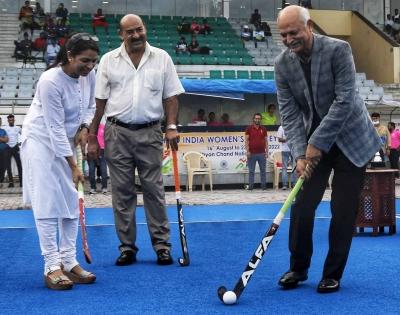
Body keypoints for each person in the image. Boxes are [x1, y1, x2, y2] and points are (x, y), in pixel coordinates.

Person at [275, 5, 381, 293]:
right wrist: (300, 154)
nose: (288, 39)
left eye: (293, 32)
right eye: (283, 34)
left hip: (351, 141)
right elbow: (290, 113)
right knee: (302, 206)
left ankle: (332, 273)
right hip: (312, 146)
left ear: (309, 26)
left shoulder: (338, 49)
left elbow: (345, 100)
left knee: (343, 210)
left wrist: (315, 144)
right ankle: (298, 268)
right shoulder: (282, 65)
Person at [87, 14, 184, 266]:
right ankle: (127, 247)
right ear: (121, 35)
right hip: (116, 132)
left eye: (139, 30)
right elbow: (99, 103)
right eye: (129, 32)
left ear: (145, 29)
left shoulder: (162, 58)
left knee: (154, 190)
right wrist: (91, 137)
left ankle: (162, 246)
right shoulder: (108, 60)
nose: (136, 35)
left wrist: (171, 126)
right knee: (122, 193)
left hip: (150, 132)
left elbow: (171, 97)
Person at [21, 33, 99, 290]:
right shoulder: (49, 81)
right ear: (70, 56)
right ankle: (52, 265)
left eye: (93, 61)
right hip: (41, 141)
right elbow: (54, 128)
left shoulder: (89, 76)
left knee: (70, 200)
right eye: (84, 61)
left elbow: (91, 107)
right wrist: (74, 166)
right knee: (46, 201)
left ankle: (69, 260)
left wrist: (85, 127)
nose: (89, 67)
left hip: (68, 141)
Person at [245, 113, 268, 190]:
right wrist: (247, 151)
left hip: (262, 153)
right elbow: (246, 141)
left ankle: (264, 187)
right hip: (252, 153)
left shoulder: (263, 129)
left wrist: (267, 152)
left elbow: (266, 141)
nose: (257, 120)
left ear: (260, 120)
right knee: (251, 171)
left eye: (259, 118)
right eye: (256, 118)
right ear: (253, 119)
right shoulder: (249, 128)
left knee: (263, 171)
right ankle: (251, 187)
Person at [88, 117, 108, 194]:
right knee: (91, 170)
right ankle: (93, 187)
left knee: (103, 170)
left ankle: (104, 187)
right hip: (92, 151)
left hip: (102, 150)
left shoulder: (104, 126)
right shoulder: (89, 127)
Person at [3, 114, 22, 188]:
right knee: (8, 166)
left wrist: (20, 143)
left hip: (15, 147)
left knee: (19, 165)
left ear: (14, 120)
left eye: (12, 120)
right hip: (8, 147)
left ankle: (21, 182)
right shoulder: (5, 128)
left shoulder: (18, 128)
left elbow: (24, 135)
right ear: (8, 121)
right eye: (10, 120)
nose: (11, 121)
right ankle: (11, 183)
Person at [276, 125, 296, 189]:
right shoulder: (281, 127)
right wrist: (288, 139)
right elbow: (279, 139)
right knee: (284, 167)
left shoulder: (294, 125)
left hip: (294, 149)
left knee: (294, 167)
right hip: (285, 150)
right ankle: (284, 185)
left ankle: (294, 184)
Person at [0, 118, 9, 189]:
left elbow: (6, 140)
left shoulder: (3, 131)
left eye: (0, 121)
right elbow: (4, 139)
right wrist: (2, 138)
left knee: (3, 167)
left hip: (4, 151)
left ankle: (1, 181)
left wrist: (1, 139)